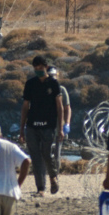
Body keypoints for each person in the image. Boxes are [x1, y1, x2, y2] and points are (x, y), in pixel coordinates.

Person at [20, 55, 64, 195]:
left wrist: (60, 128)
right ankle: (41, 188)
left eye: (40, 68)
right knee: (35, 157)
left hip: (48, 126)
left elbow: (60, 107)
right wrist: (22, 129)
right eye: (35, 68)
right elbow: (25, 106)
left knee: (46, 153)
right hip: (32, 126)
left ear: (46, 67)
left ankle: (53, 177)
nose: (38, 70)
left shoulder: (53, 83)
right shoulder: (30, 84)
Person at [48, 65, 71, 165]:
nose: (53, 77)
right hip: (45, 126)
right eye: (50, 75)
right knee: (45, 152)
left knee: (58, 153)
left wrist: (67, 124)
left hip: (59, 127)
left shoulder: (62, 90)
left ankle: (56, 172)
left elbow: (67, 108)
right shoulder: (41, 90)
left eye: (54, 75)